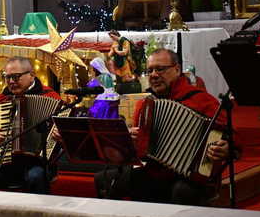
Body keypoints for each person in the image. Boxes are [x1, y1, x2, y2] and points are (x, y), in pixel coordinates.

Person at [94, 49, 238, 205]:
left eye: (160, 69)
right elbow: (140, 153)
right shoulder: (146, 104)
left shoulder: (202, 100)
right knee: (104, 179)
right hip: (155, 172)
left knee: (181, 191)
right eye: (150, 71)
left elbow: (231, 137)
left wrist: (227, 147)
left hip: (192, 176)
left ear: (177, 69)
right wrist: (130, 140)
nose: (154, 75)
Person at [0, 56, 61, 194]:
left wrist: (59, 134)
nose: (11, 82)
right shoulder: (1, 99)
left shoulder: (51, 97)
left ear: (32, 75)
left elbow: (64, 134)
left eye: (16, 77)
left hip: (39, 162)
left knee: (35, 177)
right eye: (7, 77)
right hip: (6, 160)